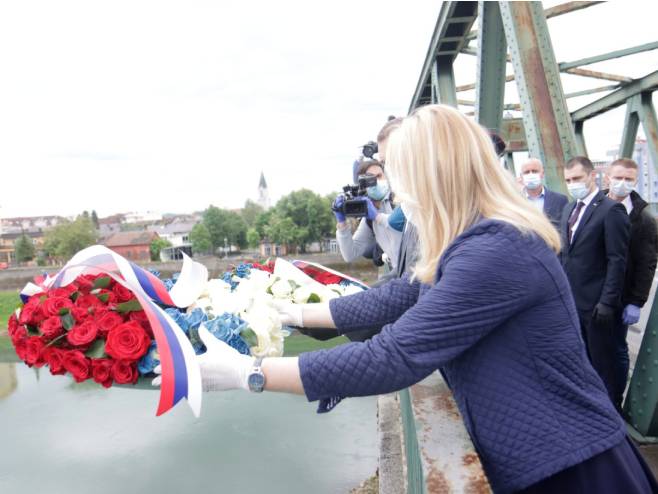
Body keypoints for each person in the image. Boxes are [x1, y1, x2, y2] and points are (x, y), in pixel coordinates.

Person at [168, 105, 656, 493]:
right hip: (551, 457)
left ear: (433, 176)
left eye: (400, 178)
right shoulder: (479, 241)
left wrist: (247, 373)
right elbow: (399, 296)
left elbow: (396, 355)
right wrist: (292, 313)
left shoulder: (497, 251)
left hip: (573, 469)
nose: (397, 195)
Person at [560, 156, 630, 405]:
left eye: (577, 178)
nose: (572, 184)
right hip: (572, 304)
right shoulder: (569, 209)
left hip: (597, 306)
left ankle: (612, 416)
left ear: (592, 176)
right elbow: (566, 256)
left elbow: (617, 261)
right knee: (580, 363)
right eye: (568, 180)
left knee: (603, 366)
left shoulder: (611, 210)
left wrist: (607, 302)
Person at [605, 158, 658, 410]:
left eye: (628, 179)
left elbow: (647, 264)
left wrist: (636, 302)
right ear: (607, 177)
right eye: (618, 177)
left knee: (616, 350)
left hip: (620, 297)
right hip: (589, 293)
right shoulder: (593, 206)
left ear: (635, 181)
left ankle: (614, 401)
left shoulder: (644, 220)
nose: (622, 183)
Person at [333, 159, 402, 271]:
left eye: (379, 176)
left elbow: (405, 232)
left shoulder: (399, 200)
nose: (376, 181)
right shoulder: (369, 217)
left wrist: (377, 217)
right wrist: (341, 223)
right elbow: (350, 254)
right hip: (400, 273)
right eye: (370, 179)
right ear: (362, 185)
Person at [517, 158, 568, 227]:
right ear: (521, 176)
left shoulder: (560, 200)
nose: (531, 175)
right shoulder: (514, 201)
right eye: (526, 172)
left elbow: (564, 228)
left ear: (542, 174)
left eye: (535, 171)